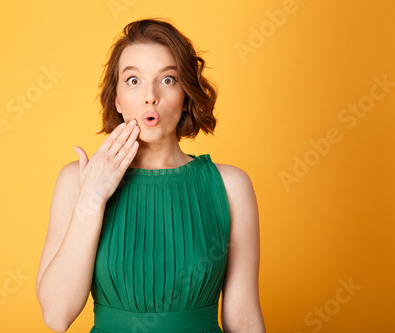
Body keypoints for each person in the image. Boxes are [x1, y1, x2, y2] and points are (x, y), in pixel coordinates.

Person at [36, 18, 265, 333]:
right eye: (133, 80)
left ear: (185, 94)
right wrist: (93, 196)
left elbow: (244, 320)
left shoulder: (230, 186)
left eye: (168, 80)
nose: (150, 96)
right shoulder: (76, 180)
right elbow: (56, 316)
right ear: (116, 98)